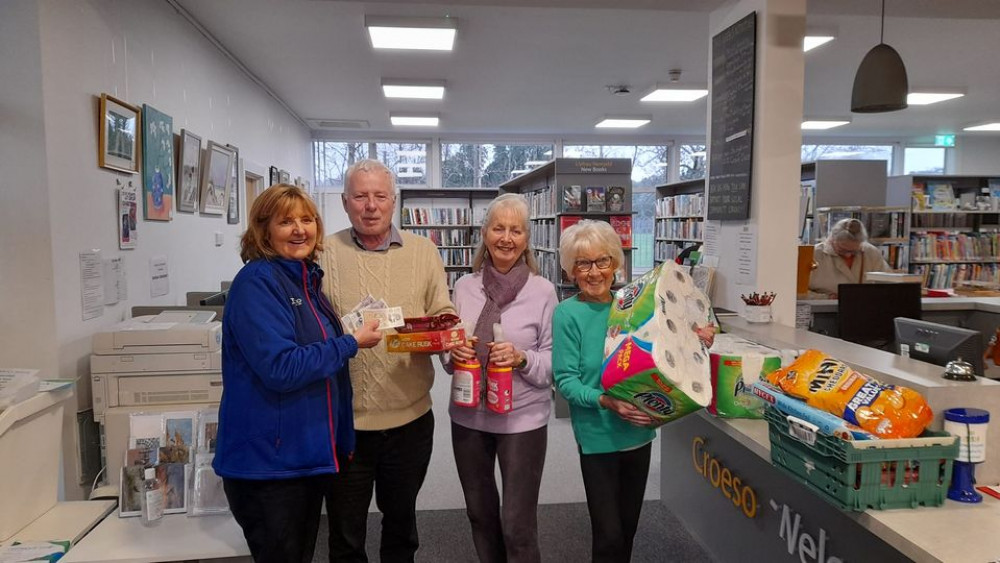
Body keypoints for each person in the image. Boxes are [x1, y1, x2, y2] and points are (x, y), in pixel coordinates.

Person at [213, 184, 382, 563]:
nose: (299, 229)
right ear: (263, 229)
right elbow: (281, 367)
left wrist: (342, 439)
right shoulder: (258, 282)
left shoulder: (304, 280)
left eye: (307, 220)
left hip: (300, 457)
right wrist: (349, 343)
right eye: (286, 221)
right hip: (269, 466)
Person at [551, 220, 713, 563]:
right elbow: (566, 381)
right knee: (607, 536)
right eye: (583, 264)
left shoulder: (632, 305)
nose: (594, 272)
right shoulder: (567, 314)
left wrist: (698, 338)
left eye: (603, 261)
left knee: (627, 532)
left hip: (639, 433)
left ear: (615, 263)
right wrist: (607, 401)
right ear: (571, 270)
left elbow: (666, 346)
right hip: (597, 436)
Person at [319, 159, 455, 562]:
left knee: (401, 527)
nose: (371, 206)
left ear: (394, 201)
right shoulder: (322, 253)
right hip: (346, 424)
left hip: (410, 422)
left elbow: (443, 312)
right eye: (360, 196)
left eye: (380, 196)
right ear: (345, 203)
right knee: (345, 534)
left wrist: (443, 337)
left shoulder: (424, 251)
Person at [444, 193, 558, 563]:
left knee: (517, 524)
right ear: (485, 233)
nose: (506, 238)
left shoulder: (543, 291)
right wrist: (453, 353)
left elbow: (553, 362)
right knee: (479, 514)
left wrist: (522, 357)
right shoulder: (464, 287)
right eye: (498, 228)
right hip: (468, 416)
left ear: (527, 238)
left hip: (521, 419)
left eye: (516, 230)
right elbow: (449, 351)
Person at [809, 217, 890, 299]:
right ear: (831, 239)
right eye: (842, 250)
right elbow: (798, 292)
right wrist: (826, 297)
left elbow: (888, 282)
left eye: (854, 251)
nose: (848, 255)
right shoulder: (814, 254)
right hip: (823, 308)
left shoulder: (870, 252)